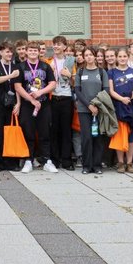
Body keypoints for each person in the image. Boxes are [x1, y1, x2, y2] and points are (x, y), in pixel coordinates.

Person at [14, 41, 57, 173]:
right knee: (29, 133)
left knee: (45, 133)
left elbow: (52, 84)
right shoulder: (20, 67)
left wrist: (40, 92)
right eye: (30, 50)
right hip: (28, 106)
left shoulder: (45, 66)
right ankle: (28, 160)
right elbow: (17, 86)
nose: (33, 52)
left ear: (39, 52)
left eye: (35, 50)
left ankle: (47, 160)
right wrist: (31, 99)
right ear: (26, 52)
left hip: (43, 104)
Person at [74, 46, 109, 174]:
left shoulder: (101, 72)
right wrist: (89, 105)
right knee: (86, 137)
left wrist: (96, 105)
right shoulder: (80, 71)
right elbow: (77, 90)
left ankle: (97, 165)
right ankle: (86, 165)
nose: (88, 57)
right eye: (86, 55)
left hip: (99, 109)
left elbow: (106, 90)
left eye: (91, 54)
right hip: (84, 109)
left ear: (95, 56)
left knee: (98, 137)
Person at [108, 47, 133, 173]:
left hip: (132, 105)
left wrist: (128, 97)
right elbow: (111, 90)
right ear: (117, 58)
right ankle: (120, 162)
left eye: (124, 56)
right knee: (120, 133)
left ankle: (129, 162)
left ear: (128, 57)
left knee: (131, 134)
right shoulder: (111, 72)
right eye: (120, 56)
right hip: (118, 105)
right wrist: (122, 99)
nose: (122, 59)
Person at [0, 41, 20, 172]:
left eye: (11, 52)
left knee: (10, 132)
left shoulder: (16, 66)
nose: (10, 54)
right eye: (7, 51)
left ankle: (11, 162)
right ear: (0, 52)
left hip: (11, 104)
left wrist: (18, 103)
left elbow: (18, 87)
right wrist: (11, 76)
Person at [48, 36, 74, 170]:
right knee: (53, 130)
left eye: (59, 44)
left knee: (66, 130)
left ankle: (67, 160)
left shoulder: (70, 62)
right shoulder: (48, 62)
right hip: (53, 98)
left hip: (66, 98)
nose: (56, 47)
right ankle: (54, 160)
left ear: (64, 47)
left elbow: (76, 83)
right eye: (54, 44)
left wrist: (69, 75)